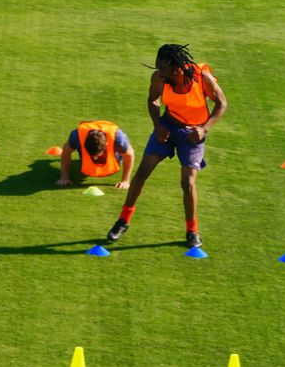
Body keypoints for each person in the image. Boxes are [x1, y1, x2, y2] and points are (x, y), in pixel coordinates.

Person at [106, 44, 228, 248]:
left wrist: (204, 129)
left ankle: (192, 231)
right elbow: (153, 100)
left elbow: (222, 103)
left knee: (188, 183)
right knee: (142, 173)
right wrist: (158, 125)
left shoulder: (201, 78)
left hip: (193, 134)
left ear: (177, 69)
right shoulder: (159, 79)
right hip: (168, 127)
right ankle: (123, 221)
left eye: (162, 69)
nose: (158, 73)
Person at [56, 120, 136, 189]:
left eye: (97, 155)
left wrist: (125, 180)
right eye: (92, 155)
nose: (95, 158)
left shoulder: (117, 139)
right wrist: (64, 177)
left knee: (122, 153)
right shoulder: (76, 136)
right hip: (83, 138)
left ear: (106, 145)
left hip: (114, 150)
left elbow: (129, 154)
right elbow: (66, 151)